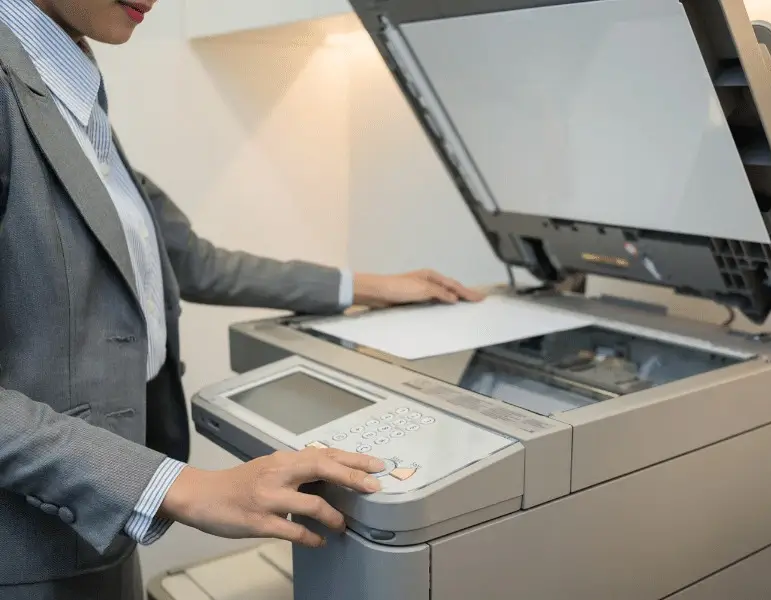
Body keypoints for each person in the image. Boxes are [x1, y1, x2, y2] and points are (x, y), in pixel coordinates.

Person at [0, 1, 484, 598]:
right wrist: (180, 487)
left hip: (97, 522)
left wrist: (366, 287)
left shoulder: (64, 80)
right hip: (24, 547)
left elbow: (185, 259)